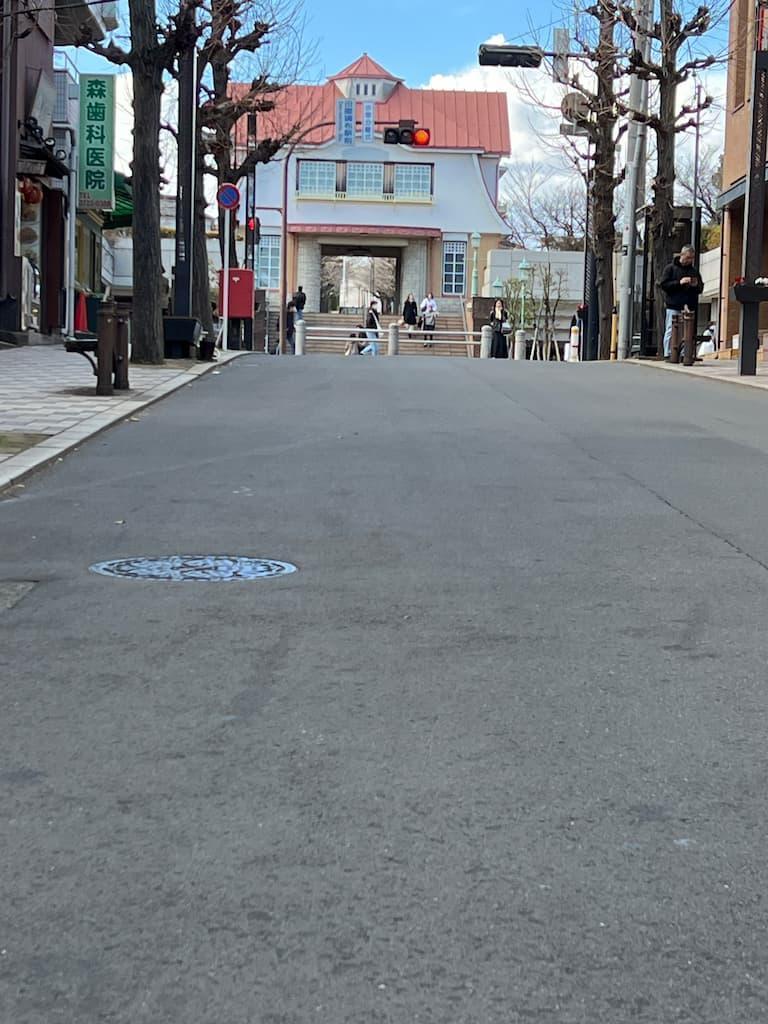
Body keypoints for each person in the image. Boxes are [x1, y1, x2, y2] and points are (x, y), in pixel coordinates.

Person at [659, 244, 704, 359]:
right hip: (673, 304)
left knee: (686, 331)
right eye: (688, 258)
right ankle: (668, 352)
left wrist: (695, 285)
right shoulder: (670, 269)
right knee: (671, 328)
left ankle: (684, 353)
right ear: (682, 255)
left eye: (692, 258)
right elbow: (664, 284)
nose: (689, 261)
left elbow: (700, 287)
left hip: (688, 305)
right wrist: (679, 283)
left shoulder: (693, 271)